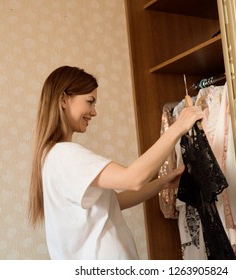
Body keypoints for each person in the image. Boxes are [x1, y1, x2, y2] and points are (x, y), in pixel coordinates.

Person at [28, 65, 204, 260]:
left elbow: (115, 202)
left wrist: (163, 183)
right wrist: (178, 127)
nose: (93, 112)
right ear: (63, 99)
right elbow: (133, 178)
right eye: (90, 102)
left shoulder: (52, 156)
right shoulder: (64, 155)